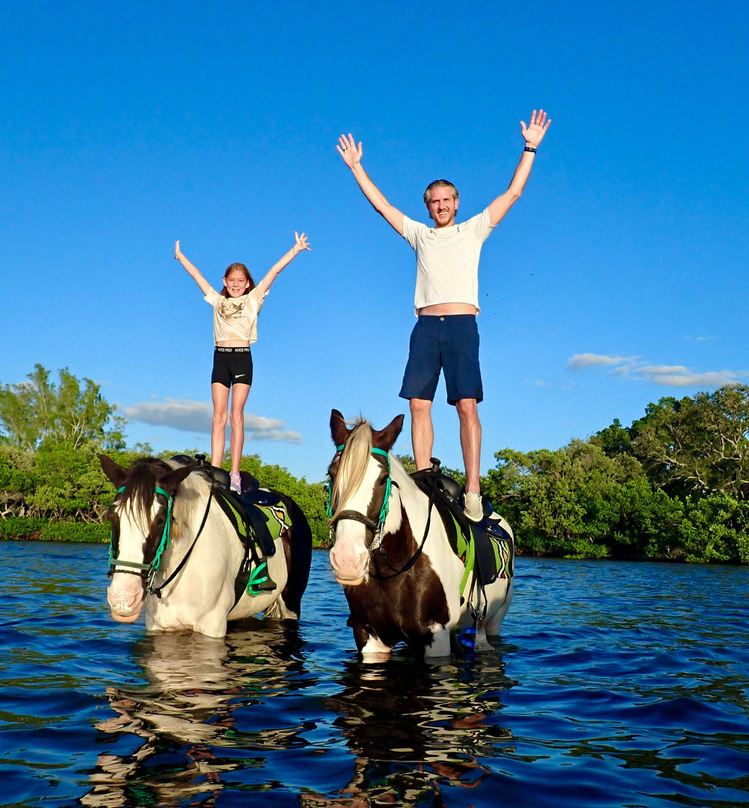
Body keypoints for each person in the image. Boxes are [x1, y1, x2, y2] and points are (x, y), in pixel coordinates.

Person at [337, 110, 550, 521]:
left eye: (446, 200)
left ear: (456, 203)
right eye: (433, 202)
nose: (440, 206)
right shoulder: (419, 233)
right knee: (419, 404)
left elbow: (513, 193)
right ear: (428, 207)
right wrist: (357, 168)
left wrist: (530, 147)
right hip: (425, 327)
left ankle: (472, 489)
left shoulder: (473, 229)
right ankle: (422, 479)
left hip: (461, 325)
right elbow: (382, 206)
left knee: (466, 405)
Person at [174, 233, 310, 492]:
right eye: (231, 280)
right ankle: (214, 469)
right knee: (218, 416)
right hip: (220, 358)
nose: (236, 284)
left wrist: (296, 250)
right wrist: (180, 257)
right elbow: (197, 277)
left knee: (236, 415)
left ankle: (234, 473)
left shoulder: (253, 299)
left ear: (247, 283)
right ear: (225, 281)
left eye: (240, 280)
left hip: (242, 359)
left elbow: (274, 271)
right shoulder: (218, 301)